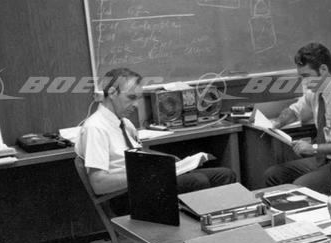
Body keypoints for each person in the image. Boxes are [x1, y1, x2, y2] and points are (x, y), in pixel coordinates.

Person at [77, 67, 236, 209]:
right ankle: (199, 228)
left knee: (225, 175)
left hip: (147, 181)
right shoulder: (95, 128)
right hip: (126, 194)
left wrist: (169, 163)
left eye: (138, 98)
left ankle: (223, 224)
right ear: (112, 93)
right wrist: (149, 174)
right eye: (131, 97)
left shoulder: (125, 123)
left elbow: (137, 155)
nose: (136, 105)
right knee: (197, 181)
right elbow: (99, 184)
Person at [263, 42, 331, 192]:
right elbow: (294, 111)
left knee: (301, 186)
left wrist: (314, 148)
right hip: (326, 159)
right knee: (274, 174)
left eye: (306, 76)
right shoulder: (315, 93)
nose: (303, 82)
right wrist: (277, 123)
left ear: (323, 70)